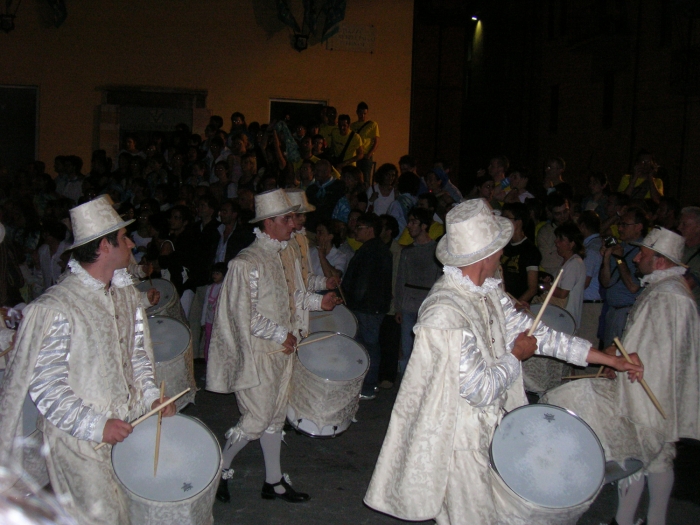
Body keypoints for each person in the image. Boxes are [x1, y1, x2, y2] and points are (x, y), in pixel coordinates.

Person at [364, 199, 643, 524]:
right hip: (461, 443)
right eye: (498, 247)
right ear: (484, 254)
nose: (503, 252)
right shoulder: (445, 313)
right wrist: (516, 356)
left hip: (494, 429)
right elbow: (478, 389)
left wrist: (605, 358)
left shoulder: (487, 293)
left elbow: (541, 335)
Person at [0, 195, 175, 525]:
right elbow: (48, 389)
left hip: (127, 425)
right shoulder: (56, 306)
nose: (132, 245)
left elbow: (138, 357)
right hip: (78, 440)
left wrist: (153, 398)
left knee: (130, 512)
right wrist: (97, 425)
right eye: (124, 238)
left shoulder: (124, 295)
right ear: (105, 246)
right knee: (100, 518)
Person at [544, 227, 700, 525]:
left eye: (644, 253)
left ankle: (634, 520)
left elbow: (661, 352)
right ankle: (642, 520)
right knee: (654, 458)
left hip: (647, 386)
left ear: (661, 261)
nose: (637, 257)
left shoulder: (670, 295)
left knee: (640, 455)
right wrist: (618, 361)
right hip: (647, 382)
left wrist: (623, 368)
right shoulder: (668, 289)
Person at [206, 189, 339, 504]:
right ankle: (216, 472)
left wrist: (320, 302)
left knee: (276, 418)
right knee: (256, 419)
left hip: (283, 352)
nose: (293, 224)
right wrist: (280, 333)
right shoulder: (247, 262)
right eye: (287, 218)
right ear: (268, 222)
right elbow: (245, 314)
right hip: (260, 354)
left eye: (293, 218)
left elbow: (293, 299)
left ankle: (274, 481)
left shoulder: (282, 254)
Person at [342, 213, 393, 399]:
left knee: (368, 347)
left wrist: (352, 300)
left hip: (366, 307)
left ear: (370, 230)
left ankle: (368, 386)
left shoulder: (372, 251)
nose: (356, 231)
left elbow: (363, 282)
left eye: (360, 228)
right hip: (370, 307)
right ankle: (366, 385)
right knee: (367, 346)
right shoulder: (375, 249)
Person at [394, 207, 441, 373]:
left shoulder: (437, 250)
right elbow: (400, 280)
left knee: (426, 350)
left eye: (414, 222)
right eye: (409, 221)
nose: (409, 225)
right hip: (408, 305)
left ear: (424, 225)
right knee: (407, 349)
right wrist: (398, 307)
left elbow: (439, 281)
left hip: (428, 306)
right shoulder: (407, 251)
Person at [599, 206, 647, 347]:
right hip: (612, 311)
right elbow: (606, 283)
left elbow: (633, 286)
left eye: (624, 225)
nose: (619, 228)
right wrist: (607, 258)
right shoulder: (622, 247)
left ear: (638, 227)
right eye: (619, 224)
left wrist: (619, 259)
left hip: (628, 312)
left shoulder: (644, 251)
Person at [500, 202, 541, 307]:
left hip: (518, 307)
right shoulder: (504, 247)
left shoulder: (530, 250)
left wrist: (514, 307)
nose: (502, 221)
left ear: (518, 222)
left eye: (507, 218)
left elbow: (532, 288)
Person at [200, 261, 227, 362]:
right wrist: (203, 321)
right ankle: (207, 368)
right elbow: (206, 305)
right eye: (213, 273)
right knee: (208, 345)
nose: (214, 276)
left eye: (217, 273)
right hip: (209, 322)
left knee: (218, 345)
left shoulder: (225, 288)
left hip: (219, 323)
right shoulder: (210, 288)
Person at [351, 102, 380, 183]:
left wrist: (369, 154)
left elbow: (376, 141)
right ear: (357, 112)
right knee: (355, 178)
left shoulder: (372, 124)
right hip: (355, 156)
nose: (362, 116)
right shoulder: (352, 126)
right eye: (361, 113)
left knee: (365, 179)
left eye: (365, 113)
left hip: (365, 155)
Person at [678, 206, 700, 309]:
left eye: (684, 224)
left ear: (698, 227)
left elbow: (686, 285)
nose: (679, 228)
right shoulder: (679, 248)